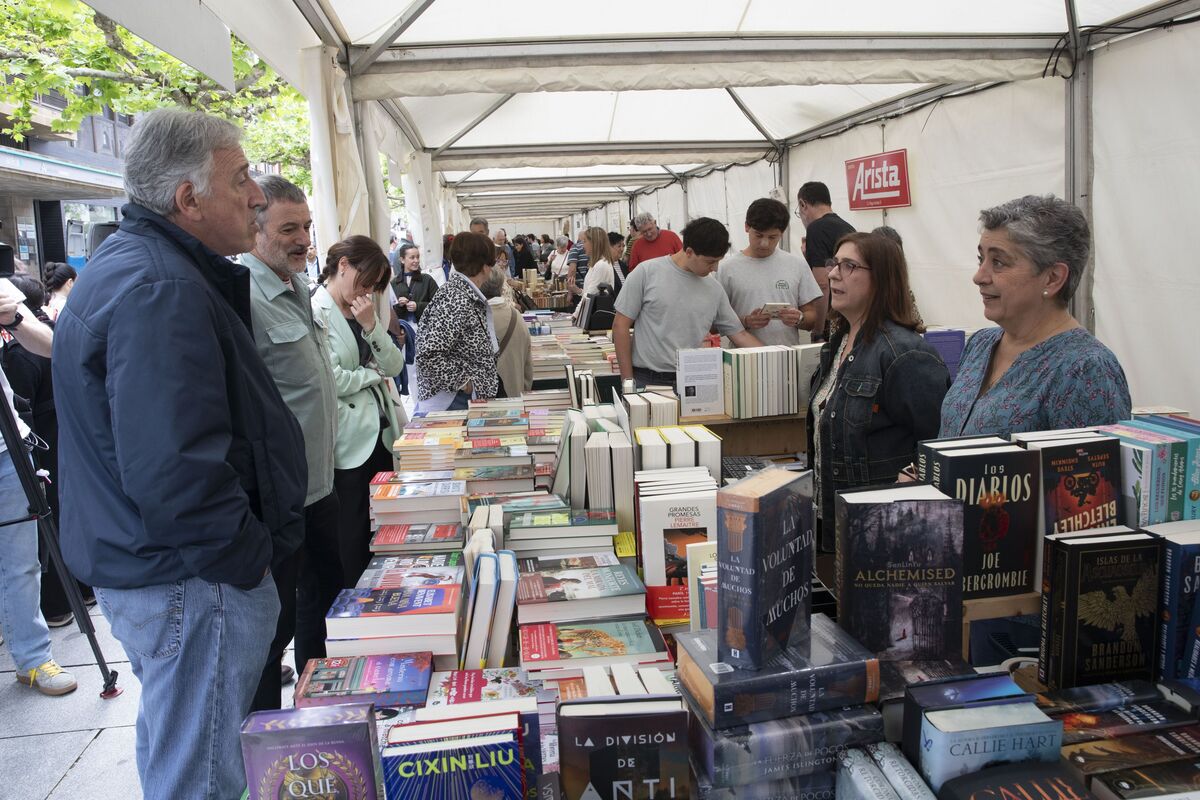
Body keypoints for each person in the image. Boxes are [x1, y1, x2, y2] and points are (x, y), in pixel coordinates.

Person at [53, 108, 306, 799]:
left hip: (168, 570)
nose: (256, 195)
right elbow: (175, 468)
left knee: (188, 753)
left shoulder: (145, 268)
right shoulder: (161, 285)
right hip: (193, 579)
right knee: (203, 772)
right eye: (241, 178)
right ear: (188, 199)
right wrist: (244, 559)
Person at [242, 175, 343, 711]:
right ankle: (264, 741)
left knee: (323, 601)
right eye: (288, 228)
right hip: (280, 495)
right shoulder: (244, 295)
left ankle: (319, 703)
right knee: (271, 626)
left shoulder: (297, 285)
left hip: (320, 481)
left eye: (306, 226)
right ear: (254, 229)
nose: (304, 239)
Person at [939, 195, 1131, 438]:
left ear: (1052, 278)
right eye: (981, 259)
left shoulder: (1085, 369)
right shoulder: (981, 344)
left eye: (998, 262)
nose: (979, 276)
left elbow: (1094, 471)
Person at [806, 232, 950, 546]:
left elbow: (942, 439)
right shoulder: (838, 344)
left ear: (881, 279)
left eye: (849, 266)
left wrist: (912, 473)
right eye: (834, 263)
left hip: (882, 531)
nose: (833, 274)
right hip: (833, 523)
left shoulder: (905, 354)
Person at [312, 235, 407, 586]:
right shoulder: (316, 309)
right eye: (364, 280)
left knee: (383, 531)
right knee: (352, 536)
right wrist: (369, 375)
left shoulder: (363, 309)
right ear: (343, 265)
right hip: (348, 442)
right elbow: (330, 378)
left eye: (374, 285)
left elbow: (395, 365)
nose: (367, 289)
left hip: (381, 434)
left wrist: (370, 326)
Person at [0, 273, 77, 697]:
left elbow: (50, 346)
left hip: (8, 447)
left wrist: (13, 316)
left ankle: (32, 658)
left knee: (22, 562)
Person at [613, 217, 764, 387]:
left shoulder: (714, 289)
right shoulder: (647, 273)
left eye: (718, 261)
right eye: (710, 262)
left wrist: (774, 355)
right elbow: (620, 325)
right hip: (647, 378)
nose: (715, 268)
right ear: (690, 252)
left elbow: (739, 334)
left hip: (691, 378)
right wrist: (627, 382)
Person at [415, 231, 502, 412]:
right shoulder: (456, 298)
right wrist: (465, 383)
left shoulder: (458, 294)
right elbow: (428, 355)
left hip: (459, 399)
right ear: (485, 267)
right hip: (453, 401)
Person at [718, 198, 823, 346]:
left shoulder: (796, 264)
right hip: (743, 360)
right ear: (747, 227)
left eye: (773, 237)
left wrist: (799, 319)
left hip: (786, 358)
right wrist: (745, 321)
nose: (764, 243)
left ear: (782, 232)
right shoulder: (727, 268)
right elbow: (714, 324)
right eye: (759, 235)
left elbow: (812, 317)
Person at [796, 181, 856, 339]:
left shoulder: (815, 229)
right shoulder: (848, 227)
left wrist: (818, 329)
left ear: (803, 204)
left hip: (831, 318)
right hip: (850, 314)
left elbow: (822, 284)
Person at [489, 292, 533, 398]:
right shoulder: (516, 316)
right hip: (514, 394)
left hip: (481, 398)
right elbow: (528, 365)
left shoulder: (472, 316)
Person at [391, 242, 439, 324]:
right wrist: (399, 304)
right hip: (403, 329)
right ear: (402, 260)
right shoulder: (394, 283)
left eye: (418, 257)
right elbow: (390, 311)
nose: (416, 261)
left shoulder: (427, 279)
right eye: (412, 258)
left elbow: (439, 304)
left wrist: (418, 306)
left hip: (425, 328)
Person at [580, 226, 615, 297]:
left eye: (585, 241)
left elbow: (589, 296)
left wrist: (578, 308)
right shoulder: (598, 264)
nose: (583, 246)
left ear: (594, 243)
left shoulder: (601, 265)